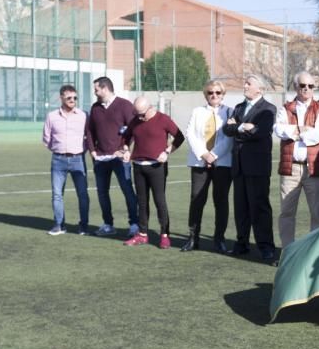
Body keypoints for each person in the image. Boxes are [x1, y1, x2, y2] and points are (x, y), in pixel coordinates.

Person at [223, 74, 277, 261]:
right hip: (238, 165)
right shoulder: (239, 108)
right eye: (245, 82)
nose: (244, 85)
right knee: (241, 207)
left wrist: (241, 128)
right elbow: (227, 130)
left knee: (260, 207)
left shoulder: (268, 109)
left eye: (248, 83)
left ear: (259, 89)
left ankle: (266, 246)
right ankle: (242, 243)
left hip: (257, 166)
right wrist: (241, 127)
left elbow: (260, 133)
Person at [120, 97, 184, 249]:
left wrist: (167, 151)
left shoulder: (163, 119)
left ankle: (164, 235)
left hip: (157, 167)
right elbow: (125, 137)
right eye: (136, 113)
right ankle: (142, 234)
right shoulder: (135, 120)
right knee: (142, 202)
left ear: (150, 108)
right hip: (138, 166)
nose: (139, 117)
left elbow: (179, 137)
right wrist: (126, 150)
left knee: (159, 201)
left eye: (141, 113)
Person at [274, 71, 319, 246]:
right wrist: (302, 129)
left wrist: (293, 132)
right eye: (303, 85)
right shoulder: (285, 108)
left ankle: (312, 252)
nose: (306, 89)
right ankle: (287, 251)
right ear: (296, 87)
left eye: (310, 86)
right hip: (290, 168)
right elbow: (278, 130)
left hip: (313, 168)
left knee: (317, 214)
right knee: (287, 212)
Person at [86, 76, 139, 238]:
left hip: (119, 159)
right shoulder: (95, 108)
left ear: (105, 88)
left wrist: (125, 148)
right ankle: (108, 224)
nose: (94, 92)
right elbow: (89, 131)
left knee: (128, 191)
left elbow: (134, 129)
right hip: (100, 159)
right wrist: (93, 151)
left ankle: (134, 225)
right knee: (102, 193)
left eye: (96, 89)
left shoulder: (125, 105)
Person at [183, 79, 233, 253]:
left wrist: (214, 155)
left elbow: (229, 137)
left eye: (218, 92)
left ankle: (219, 239)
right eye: (210, 92)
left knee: (221, 201)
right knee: (197, 200)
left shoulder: (230, 112)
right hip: (199, 162)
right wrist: (204, 154)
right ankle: (192, 238)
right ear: (206, 94)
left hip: (222, 163)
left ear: (223, 94)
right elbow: (190, 134)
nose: (214, 95)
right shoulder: (197, 111)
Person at [42, 85, 90, 236]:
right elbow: (46, 138)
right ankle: (58, 225)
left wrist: (81, 151)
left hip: (78, 160)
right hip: (58, 160)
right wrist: (58, 150)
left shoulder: (84, 115)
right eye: (69, 98)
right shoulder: (52, 116)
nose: (72, 100)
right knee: (57, 194)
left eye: (75, 98)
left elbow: (89, 138)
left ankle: (83, 226)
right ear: (61, 98)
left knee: (82, 194)